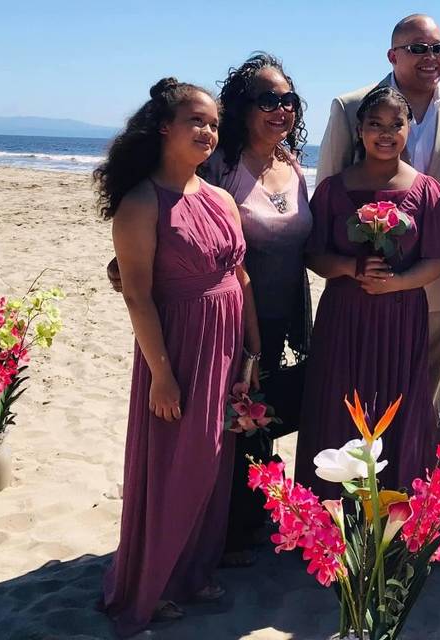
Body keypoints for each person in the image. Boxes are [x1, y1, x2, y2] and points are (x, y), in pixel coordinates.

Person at [97, 77, 259, 636]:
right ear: (163, 126)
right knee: (174, 466)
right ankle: (152, 583)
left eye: (214, 123)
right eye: (196, 120)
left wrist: (252, 351)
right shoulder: (141, 202)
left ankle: (191, 570)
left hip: (226, 345)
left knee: (213, 463)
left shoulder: (219, 198)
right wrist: (161, 376)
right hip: (179, 348)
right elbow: (137, 295)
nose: (208, 131)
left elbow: (240, 276)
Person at [316, 14, 440, 407]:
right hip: (365, 289)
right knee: (358, 398)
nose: (429, 57)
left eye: (437, 49)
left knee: (422, 402)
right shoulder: (350, 107)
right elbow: (327, 196)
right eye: (417, 49)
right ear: (392, 55)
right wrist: (349, 267)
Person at [295, 86, 440, 500]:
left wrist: (397, 282)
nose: (386, 134)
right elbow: (313, 254)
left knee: (399, 407)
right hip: (344, 317)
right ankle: (332, 516)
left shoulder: (426, 191)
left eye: (396, 125)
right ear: (360, 130)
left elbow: (439, 258)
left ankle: (395, 513)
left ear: (409, 129)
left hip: (402, 317)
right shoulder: (333, 189)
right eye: (375, 124)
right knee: (338, 403)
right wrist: (352, 267)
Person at [206, 52, 313, 567]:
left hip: (285, 318)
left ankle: (253, 515)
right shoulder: (218, 167)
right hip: (230, 323)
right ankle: (229, 530)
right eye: (268, 99)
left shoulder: (293, 164)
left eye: (288, 99)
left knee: (263, 416)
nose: (281, 109)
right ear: (241, 108)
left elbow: (303, 250)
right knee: (239, 420)